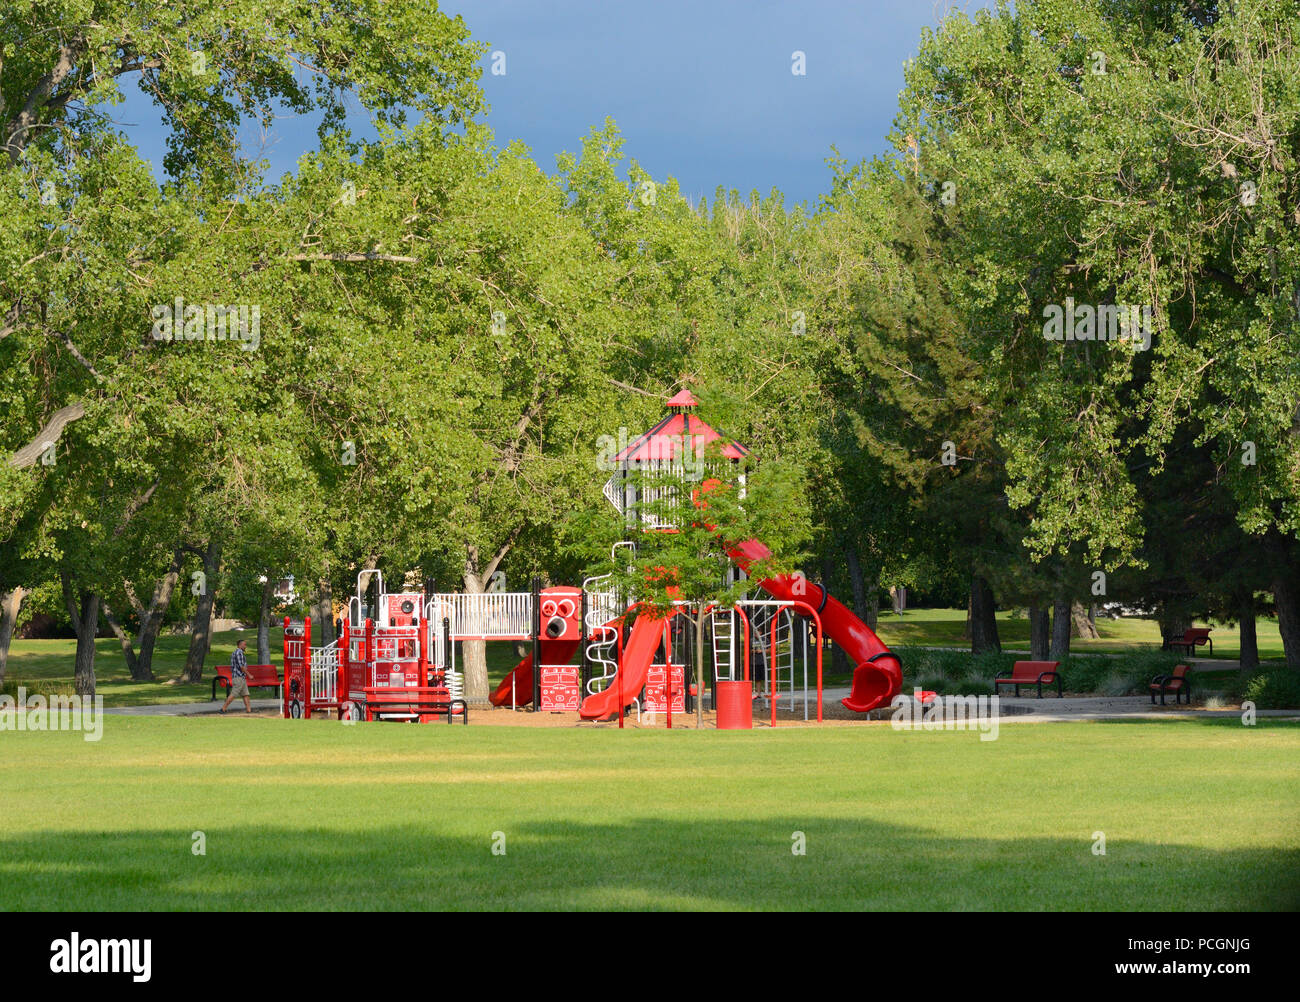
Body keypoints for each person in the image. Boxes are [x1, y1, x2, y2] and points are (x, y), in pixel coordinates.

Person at [220, 638, 253, 714]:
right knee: (234, 694)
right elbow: (241, 667)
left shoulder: (237, 652)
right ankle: (223, 709)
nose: (245, 646)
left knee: (245, 694)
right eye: (244, 645)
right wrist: (249, 675)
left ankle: (249, 710)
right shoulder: (239, 653)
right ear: (240, 645)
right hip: (238, 677)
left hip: (241, 677)